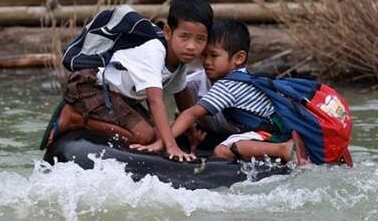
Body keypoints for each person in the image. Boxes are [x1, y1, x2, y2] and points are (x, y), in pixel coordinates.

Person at [44, 0, 213, 161]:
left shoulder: (180, 59)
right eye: (184, 37)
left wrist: (191, 130)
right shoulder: (155, 51)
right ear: (168, 32)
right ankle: (75, 117)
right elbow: (155, 101)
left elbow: (181, 93)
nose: (191, 46)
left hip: (117, 97)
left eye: (200, 39)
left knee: (156, 133)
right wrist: (171, 146)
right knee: (144, 136)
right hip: (90, 87)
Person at [132, 19, 310, 164]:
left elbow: (191, 114)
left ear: (239, 58)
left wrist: (163, 142)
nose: (207, 61)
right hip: (255, 131)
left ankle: (284, 149)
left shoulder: (230, 85)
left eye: (214, 56)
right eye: (204, 55)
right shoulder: (198, 81)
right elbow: (178, 102)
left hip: (271, 133)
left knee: (221, 151)